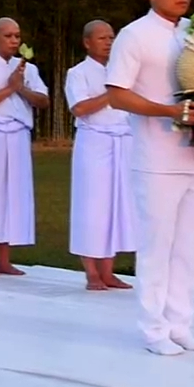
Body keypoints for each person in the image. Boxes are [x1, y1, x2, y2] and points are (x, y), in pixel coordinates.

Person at [105, 0, 194, 356]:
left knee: (189, 247)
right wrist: (169, 111)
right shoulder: (134, 36)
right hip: (156, 157)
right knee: (157, 247)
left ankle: (181, 324)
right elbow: (117, 93)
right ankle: (154, 330)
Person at [0, 18, 48, 276]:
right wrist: (9, 89)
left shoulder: (28, 68)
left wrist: (21, 87)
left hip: (18, 135)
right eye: (8, 36)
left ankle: (5, 259)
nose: (14, 40)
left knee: (14, 195)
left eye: (17, 36)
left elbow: (43, 101)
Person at [67, 19, 135, 291]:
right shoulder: (78, 73)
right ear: (87, 42)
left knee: (116, 205)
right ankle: (91, 272)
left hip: (122, 141)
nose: (109, 42)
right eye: (102, 38)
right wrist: (111, 93)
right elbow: (80, 108)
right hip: (94, 143)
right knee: (92, 206)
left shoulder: (124, 71)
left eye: (111, 37)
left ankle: (109, 270)